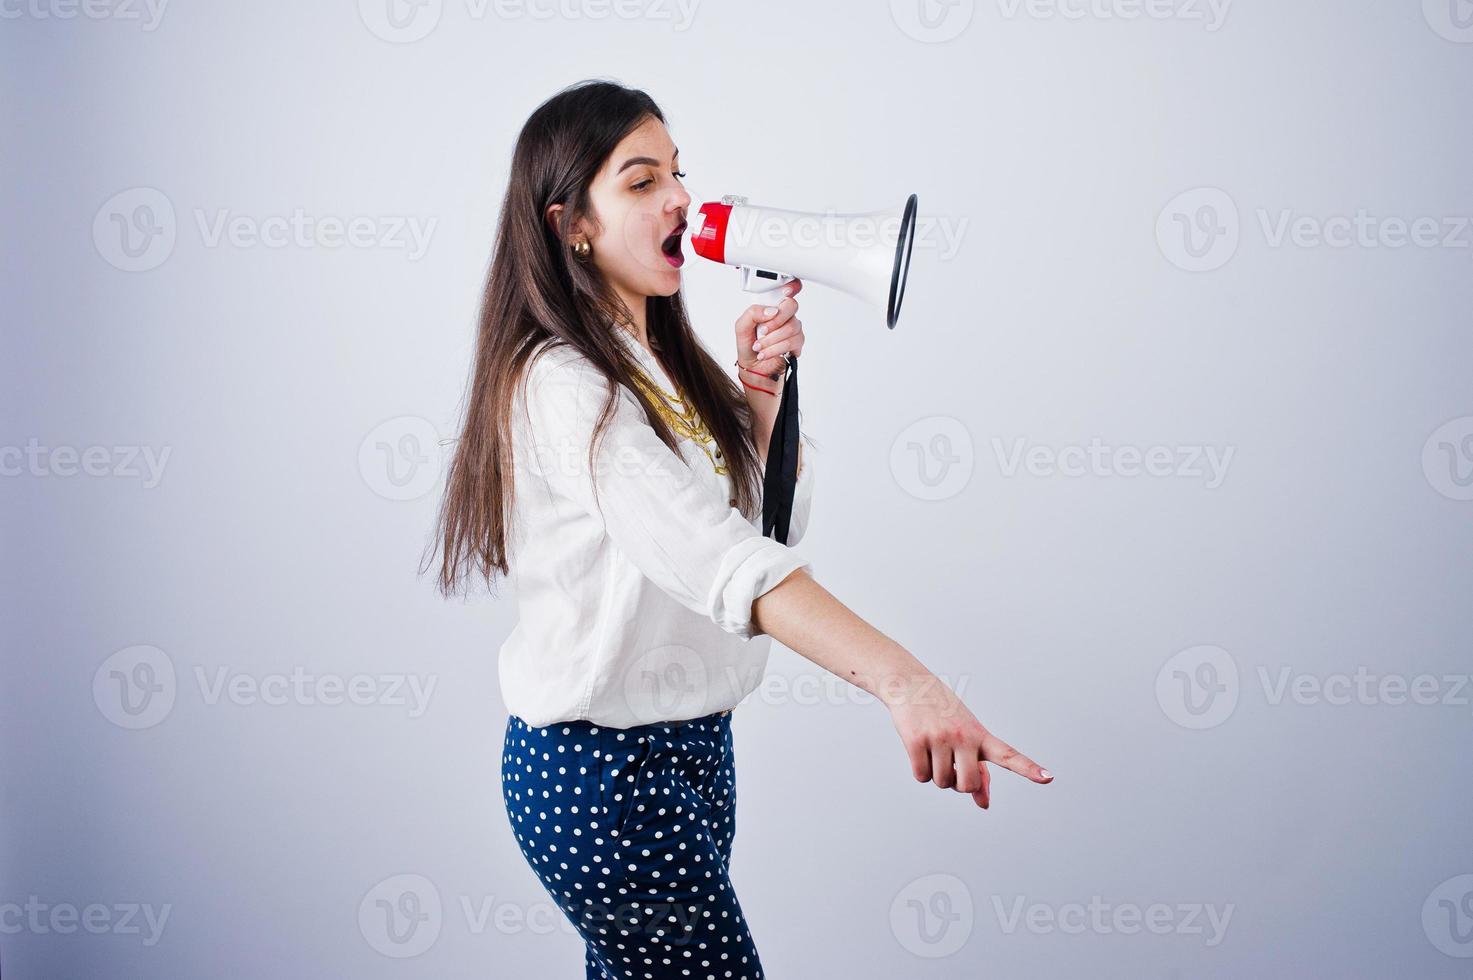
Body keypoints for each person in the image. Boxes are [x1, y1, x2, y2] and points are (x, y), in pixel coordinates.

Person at [428, 78, 1053, 980]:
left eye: (678, 173)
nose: (683, 197)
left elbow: (765, 523)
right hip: (602, 773)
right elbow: (728, 568)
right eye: (641, 182)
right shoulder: (567, 385)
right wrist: (906, 684)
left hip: (690, 749)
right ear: (573, 224)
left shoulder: (654, 369)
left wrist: (758, 398)